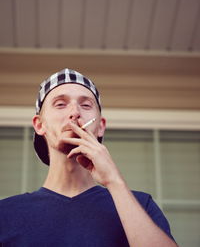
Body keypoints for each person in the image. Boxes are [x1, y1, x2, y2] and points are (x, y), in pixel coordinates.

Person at [0, 68, 178, 247]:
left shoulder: (140, 206)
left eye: (86, 105)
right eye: (60, 104)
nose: (75, 112)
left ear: (100, 126)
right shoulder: (5, 214)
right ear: (39, 125)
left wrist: (114, 181)